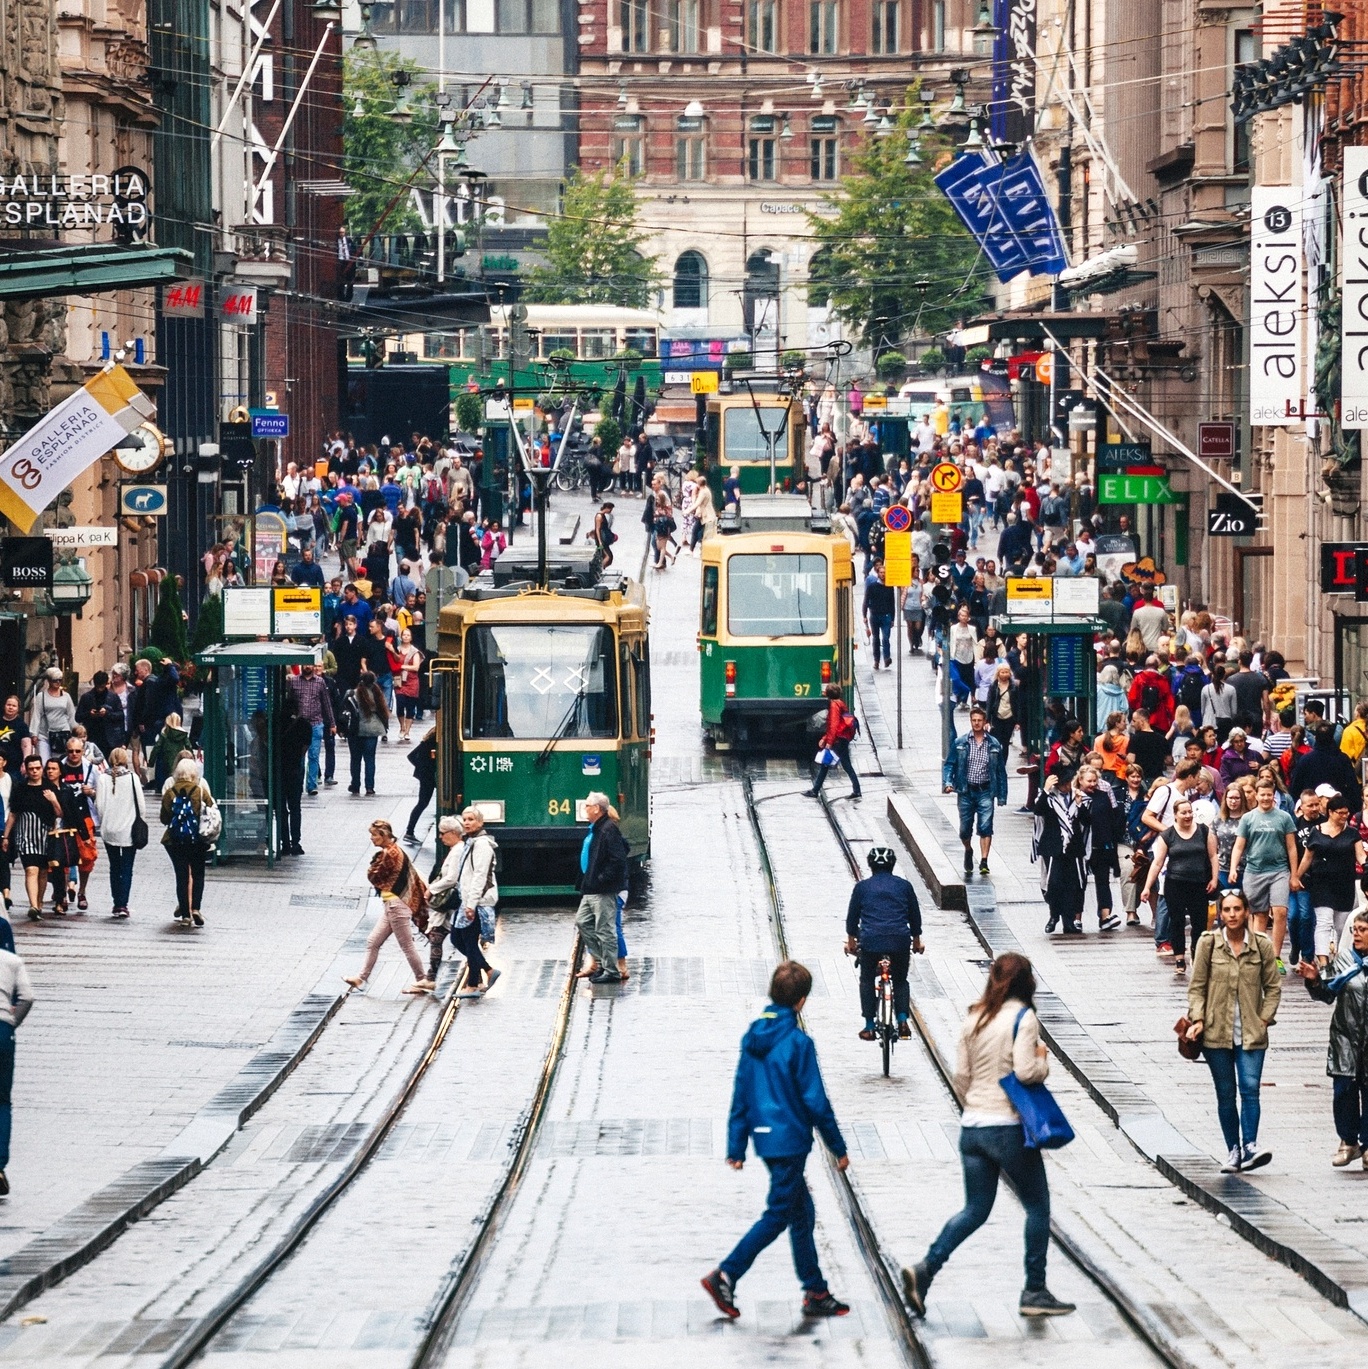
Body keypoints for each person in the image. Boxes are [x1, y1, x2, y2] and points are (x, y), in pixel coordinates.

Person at [901, 953, 1074, 1319]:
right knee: (1037, 1206)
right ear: (1027, 982)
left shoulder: (974, 1017)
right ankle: (1035, 1290)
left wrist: (974, 1106)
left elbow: (961, 1076)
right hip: (1007, 1127)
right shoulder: (1024, 1018)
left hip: (973, 1128)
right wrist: (1043, 1060)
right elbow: (1025, 1072)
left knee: (974, 1209)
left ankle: (926, 1269)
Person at [701, 960, 851, 1322]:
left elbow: (742, 1092)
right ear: (801, 1001)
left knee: (802, 1213)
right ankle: (726, 1274)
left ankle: (816, 1291)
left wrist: (737, 1145)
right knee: (777, 1214)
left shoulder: (753, 1036)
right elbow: (815, 1100)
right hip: (790, 1141)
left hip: (766, 1141)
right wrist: (838, 1147)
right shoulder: (799, 1043)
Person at [1185, 889, 1280, 1172]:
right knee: (1226, 1093)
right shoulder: (1208, 943)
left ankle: (1250, 1145)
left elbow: (1273, 987)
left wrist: (1264, 1019)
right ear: (1220, 913)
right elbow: (1197, 987)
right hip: (1216, 1033)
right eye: (1227, 910)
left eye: (1237, 909)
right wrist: (1197, 1019)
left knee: (1250, 1089)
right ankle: (1233, 1150)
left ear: (1247, 911)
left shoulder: (1261, 945)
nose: (1232, 915)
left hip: (1252, 1032)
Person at [1296, 912, 1368, 1168]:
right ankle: (1348, 1141)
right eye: (1355, 929)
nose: (1356, 934)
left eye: (1363, 929)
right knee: (1343, 1092)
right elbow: (1326, 994)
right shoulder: (1344, 960)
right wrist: (1314, 981)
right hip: (1345, 1038)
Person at [845, 846, 924, 1041]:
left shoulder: (862, 887)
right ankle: (903, 1020)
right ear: (892, 865)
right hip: (900, 940)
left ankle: (869, 1026)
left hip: (871, 941)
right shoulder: (905, 886)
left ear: (870, 865)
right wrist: (916, 941)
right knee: (900, 980)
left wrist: (851, 941)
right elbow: (914, 916)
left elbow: (852, 918)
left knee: (866, 979)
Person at [345, 820, 433, 994]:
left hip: (396, 905)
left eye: (374, 835)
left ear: (384, 835)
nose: (371, 838)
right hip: (391, 905)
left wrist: (372, 869)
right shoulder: (394, 850)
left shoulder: (389, 854)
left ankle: (422, 980)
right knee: (373, 941)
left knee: (407, 946)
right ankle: (361, 978)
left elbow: (373, 875)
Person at [1139, 795, 1218, 972]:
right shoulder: (1167, 835)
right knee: (1177, 922)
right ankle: (1180, 958)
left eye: (1190, 812)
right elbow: (1157, 863)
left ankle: (1197, 953)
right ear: (1175, 815)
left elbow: (1213, 856)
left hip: (1199, 883)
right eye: (1184, 813)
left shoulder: (1204, 831)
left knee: (1199, 922)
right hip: (1175, 884)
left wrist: (1214, 878)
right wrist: (1147, 887)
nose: (1188, 815)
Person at [1230, 777, 1299, 972]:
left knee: (1280, 912)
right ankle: (1258, 954)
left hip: (1279, 870)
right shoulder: (1248, 818)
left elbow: (1291, 847)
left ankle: (1275, 956)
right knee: (1258, 915)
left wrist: (1294, 875)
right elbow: (1239, 846)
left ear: (1273, 796)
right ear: (1256, 796)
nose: (1266, 798)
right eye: (1263, 795)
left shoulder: (1284, 817)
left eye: (1269, 795)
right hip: (1254, 871)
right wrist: (1234, 868)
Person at [1298, 791, 1366, 966]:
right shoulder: (1316, 831)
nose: (1344, 816)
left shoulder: (1352, 833)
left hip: (1344, 884)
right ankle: (1323, 961)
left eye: (1346, 813)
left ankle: (1342, 959)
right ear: (1330, 812)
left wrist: (1366, 866)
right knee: (1324, 921)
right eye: (1340, 813)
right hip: (1322, 883)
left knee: (1342, 926)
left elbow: (1360, 855)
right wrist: (1296, 876)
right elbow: (1307, 858)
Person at [943, 705, 1007, 876]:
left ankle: (984, 861)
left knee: (986, 826)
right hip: (966, 791)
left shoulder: (994, 744)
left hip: (985, 790)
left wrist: (1001, 795)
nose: (976, 723)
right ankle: (968, 849)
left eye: (979, 720)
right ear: (970, 721)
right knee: (965, 829)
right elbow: (949, 764)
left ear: (985, 722)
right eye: (974, 720)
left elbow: (1000, 771)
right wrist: (948, 782)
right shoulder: (960, 743)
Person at [574, 791, 630, 985]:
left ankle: (611, 970)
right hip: (591, 888)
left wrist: (601, 879)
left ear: (597, 808)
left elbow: (618, 859)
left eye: (588, 806)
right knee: (582, 921)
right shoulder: (597, 828)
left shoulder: (608, 829)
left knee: (605, 929)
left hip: (603, 889)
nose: (585, 809)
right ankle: (602, 962)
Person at [445, 808, 500, 998]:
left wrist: (471, 904)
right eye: (465, 819)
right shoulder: (472, 842)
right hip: (468, 899)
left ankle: (473, 984)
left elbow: (479, 876)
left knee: (468, 940)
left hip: (477, 901)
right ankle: (487, 972)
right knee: (458, 938)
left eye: (471, 819)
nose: (467, 823)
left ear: (480, 822)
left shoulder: (482, 845)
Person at [2, 755, 62, 919]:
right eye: (31, 769)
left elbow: (59, 813)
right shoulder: (21, 788)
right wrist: (6, 837)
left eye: (37, 768)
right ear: (26, 770)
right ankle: (33, 905)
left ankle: (39, 903)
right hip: (25, 834)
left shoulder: (49, 787)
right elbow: (13, 814)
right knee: (31, 869)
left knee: (42, 871)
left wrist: (53, 800)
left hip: (45, 835)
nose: (35, 771)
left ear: (42, 769)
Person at [159, 758, 216, 928]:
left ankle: (185, 914)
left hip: (175, 841)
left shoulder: (170, 793)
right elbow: (211, 811)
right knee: (198, 874)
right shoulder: (200, 792)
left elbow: (164, 818)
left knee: (181, 876)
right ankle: (196, 908)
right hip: (197, 840)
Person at [1034, 773, 1088, 935]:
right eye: (1062, 784)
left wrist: (1079, 804)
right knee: (1054, 884)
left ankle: (1068, 921)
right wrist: (1045, 789)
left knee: (1072, 886)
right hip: (1053, 847)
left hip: (1073, 848)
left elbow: (1086, 820)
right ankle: (1054, 915)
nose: (1066, 787)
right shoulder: (1049, 798)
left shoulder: (1077, 796)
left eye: (1068, 783)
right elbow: (1038, 810)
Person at [0, 940, 34, 1195]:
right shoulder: (11, 961)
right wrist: (12, 1022)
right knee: (2, 1101)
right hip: (2, 1030)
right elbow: (27, 997)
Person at [95, 747, 145, 918]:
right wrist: (140, 820)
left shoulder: (103, 778)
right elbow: (141, 806)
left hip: (109, 829)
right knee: (127, 867)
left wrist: (105, 821)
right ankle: (123, 904)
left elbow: (99, 806)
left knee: (114, 866)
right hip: (129, 829)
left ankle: (116, 902)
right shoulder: (133, 778)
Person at [1074, 766, 1122, 931]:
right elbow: (1081, 821)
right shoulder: (1075, 796)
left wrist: (1111, 843)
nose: (1093, 784)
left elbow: (1110, 818)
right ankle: (1076, 918)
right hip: (1082, 846)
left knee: (1103, 882)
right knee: (1079, 883)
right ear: (1080, 780)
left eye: (1095, 781)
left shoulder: (1102, 795)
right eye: (1089, 781)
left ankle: (1105, 916)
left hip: (1102, 845)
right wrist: (1079, 805)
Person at [805, 684, 862, 801]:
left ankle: (815, 790)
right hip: (842, 738)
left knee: (828, 764)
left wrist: (828, 742)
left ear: (828, 694)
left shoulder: (834, 705)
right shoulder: (840, 703)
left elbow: (833, 725)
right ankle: (856, 790)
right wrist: (825, 738)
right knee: (841, 764)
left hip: (838, 740)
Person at [275, 691, 311, 856]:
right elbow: (304, 749)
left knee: (281, 809)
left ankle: (284, 842)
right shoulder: (304, 724)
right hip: (295, 770)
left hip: (278, 769)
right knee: (295, 807)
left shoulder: (276, 723)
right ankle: (295, 842)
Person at [346, 671, 388, 796]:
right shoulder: (377, 693)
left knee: (355, 759)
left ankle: (355, 785)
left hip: (356, 730)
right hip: (373, 729)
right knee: (370, 759)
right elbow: (383, 712)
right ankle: (370, 787)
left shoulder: (353, 693)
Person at [29, 667, 75, 762]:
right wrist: (34, 734)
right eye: (55, 680)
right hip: (45, 734)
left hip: (62, 734)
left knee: (60, 763)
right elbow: (36, 715)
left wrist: (76, 732)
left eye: (60, 680)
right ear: (49, 681)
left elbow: (72, 715)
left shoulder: (66, 696)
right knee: (44, 762)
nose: (58, 682)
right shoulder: (41, 696)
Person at [403, 725, 437, 845]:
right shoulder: (433, 741)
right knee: (423, 803)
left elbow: (412, 756)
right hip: (429, 776)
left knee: (422, 803)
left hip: (426, 776)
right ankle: (409, 831)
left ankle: (410, 831)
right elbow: (412, 756)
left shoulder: (428, 740)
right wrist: (426, 767)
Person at [863, 561, 896, 670]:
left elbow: (892, 603)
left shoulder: (889, 587)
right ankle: (876, 660)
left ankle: (886, 658)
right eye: (881, 572)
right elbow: (866, 601)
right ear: (878, 573)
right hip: (874, 615)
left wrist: (893, 618)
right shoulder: (872, 587)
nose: (883, 574)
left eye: (884, 572)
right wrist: (864, 615)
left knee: (886, 638)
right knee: (876, 639)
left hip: (886, 615)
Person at [985, 662, 1019, 752]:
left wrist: (1018, 721)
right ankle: (997, 759)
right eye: (1002, 672)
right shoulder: (994, 686)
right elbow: (989, 702)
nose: (1004, 674)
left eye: (1006, 672)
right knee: (997, 741)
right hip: (997, 716)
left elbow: (1017, 703)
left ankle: (1004, 760)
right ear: (998, 673)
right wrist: (987, 720)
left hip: (1010, 717)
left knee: (1006, 742)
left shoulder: (1013, 686)